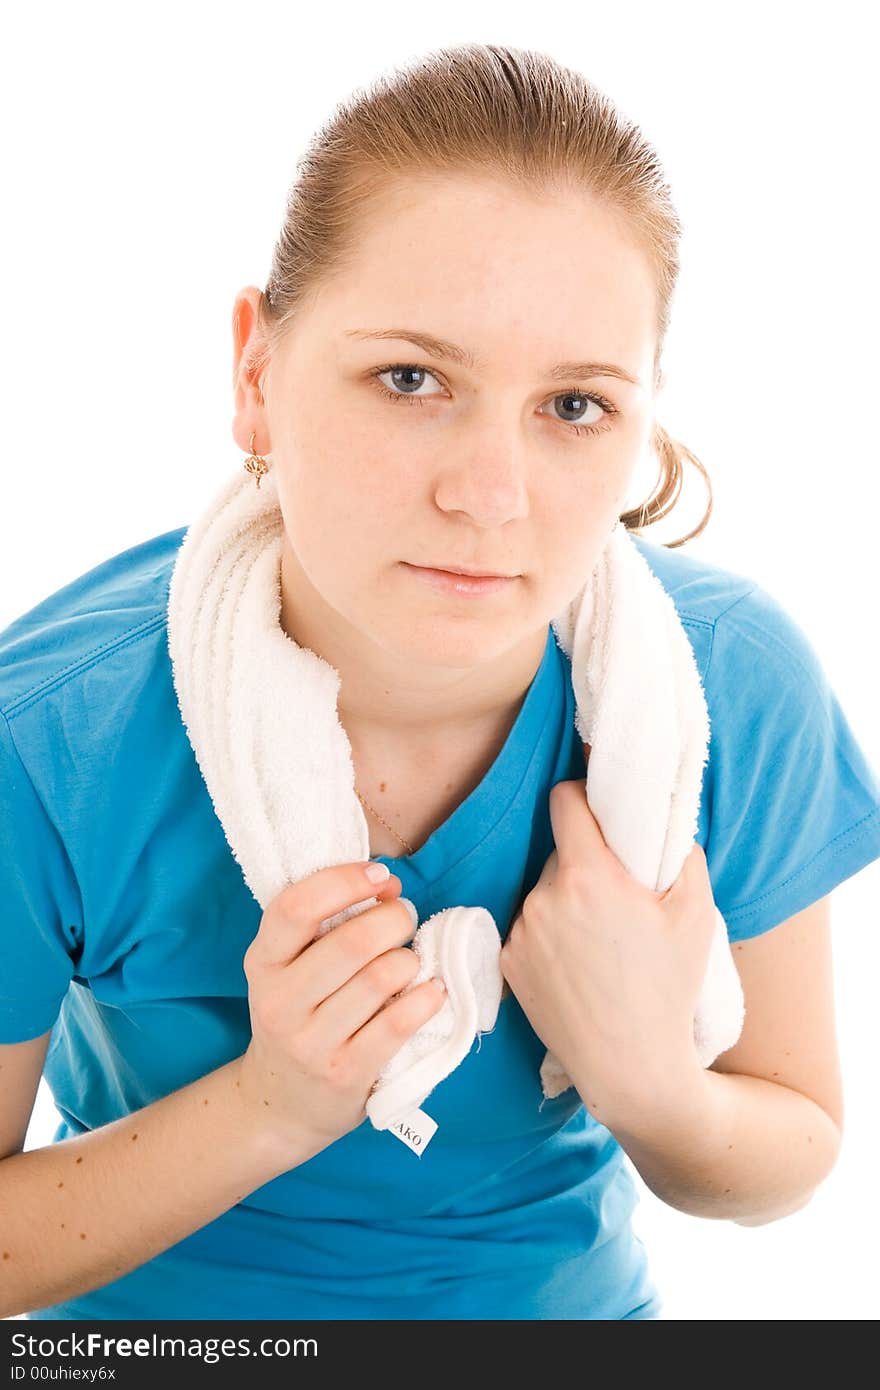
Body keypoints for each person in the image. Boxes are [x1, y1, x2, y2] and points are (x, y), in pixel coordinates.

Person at [2, 42, 880, 1324]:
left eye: (573, 405)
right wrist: (275, 1102)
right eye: (411, 379)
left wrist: (651, 1080)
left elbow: (789, 1153)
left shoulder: (729, 685)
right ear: (256, 376)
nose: (488, 496)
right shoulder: (52, 738)